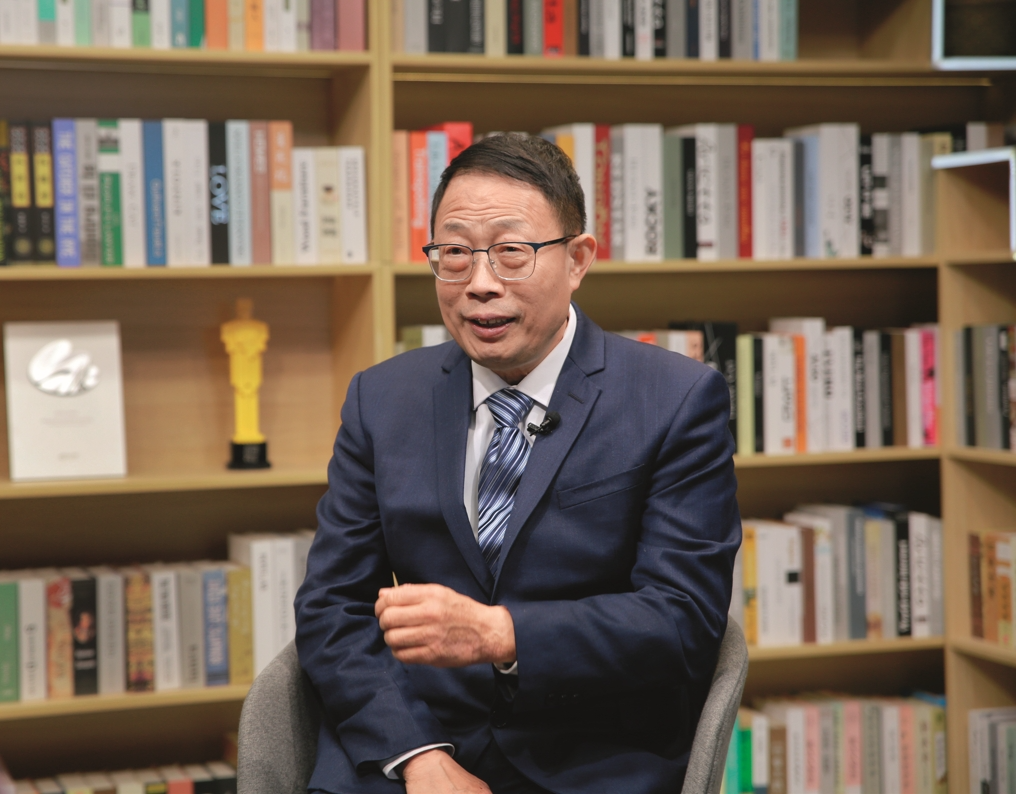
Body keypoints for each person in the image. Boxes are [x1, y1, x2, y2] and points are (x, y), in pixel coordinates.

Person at [295, 133, 741, 794]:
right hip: (413, 744)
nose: (479, 285)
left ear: (578, 259)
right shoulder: (381, 399)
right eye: (454, 254)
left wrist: (500, 633)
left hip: (589, 757)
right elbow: (333, 608)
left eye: (511, 253)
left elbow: (682, 621)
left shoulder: (674, 400)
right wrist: (418, 755)